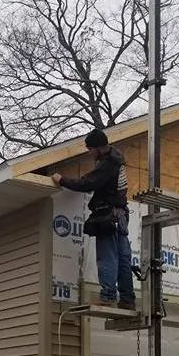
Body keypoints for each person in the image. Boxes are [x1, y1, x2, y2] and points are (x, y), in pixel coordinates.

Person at [51, 128, 136, 310]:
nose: (89, 153)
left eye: (90, 149)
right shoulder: (117, 159)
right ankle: (127, 299)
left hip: (108, 216)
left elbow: (88, 183)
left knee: (107, 257)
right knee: (122, 259)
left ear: (98, 148)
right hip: (120, 215)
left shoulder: (108, 164)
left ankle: (107, 297)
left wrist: (62, 180)